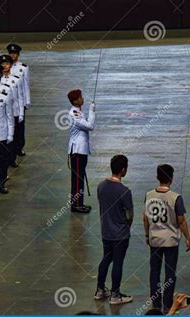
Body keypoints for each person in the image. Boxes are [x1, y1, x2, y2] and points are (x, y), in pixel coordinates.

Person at [144, 164, 190, 313]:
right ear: (171, 178)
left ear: (157, 177)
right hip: (171, 241)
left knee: (154, 272)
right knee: (170, 273)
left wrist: (147, 234)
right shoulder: (175, 197)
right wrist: (187, 238)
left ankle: (156, 303)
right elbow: (181, 220)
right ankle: (167, 303)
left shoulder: (149, 195)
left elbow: (145, 218)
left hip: (155, 240)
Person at [94, 155, 134, 305]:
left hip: (106, 231)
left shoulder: (101, 186)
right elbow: (129, 215)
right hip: (120, 234)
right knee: (118, 262)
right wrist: (125, 227)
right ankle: (115, 294)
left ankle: (100, 289)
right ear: (123, 170)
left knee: (106, 259)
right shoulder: (124, 191)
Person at [67, 89, 96, 213]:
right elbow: (90, 126)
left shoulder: (78, 111)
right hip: (78, 151)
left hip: (80, 150)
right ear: (75, 101)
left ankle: (78, 202)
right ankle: (77, 205)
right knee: (78, 179)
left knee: (79, 178)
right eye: (80, 97)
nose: (82, 98)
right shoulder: (75, 114)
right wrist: (92, 111)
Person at [0, 54, 24, 168]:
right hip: (1, 114)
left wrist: (21, 113)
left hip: (13, 112)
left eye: (7, 63)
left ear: (10, 65)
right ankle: (3, 159)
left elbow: (20, 97)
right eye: (2, 64)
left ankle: (11, 159)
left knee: (12, 137)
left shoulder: (16, 79)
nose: (5, 66)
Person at [7, 43, 30, 157]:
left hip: (19, 102)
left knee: (20, 127)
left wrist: (27, 101)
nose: (12, 55)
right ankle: (10, 149)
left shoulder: (23, 68)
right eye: (11, 53)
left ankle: (19, 147)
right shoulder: (5, 67)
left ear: (18, 54)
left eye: (14, 53)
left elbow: (26, 85)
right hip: (7, 102)